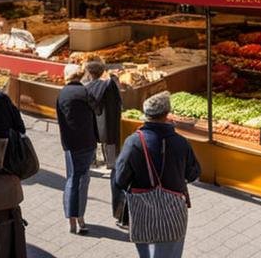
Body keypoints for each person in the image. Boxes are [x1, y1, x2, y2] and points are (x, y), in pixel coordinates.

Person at [115, 91, 201, 258]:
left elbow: (120, 179)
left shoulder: (133, 142)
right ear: (166, 115)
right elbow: (193, 174)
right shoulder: (181, 142)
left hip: (142, 210)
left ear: (145, 114)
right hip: (173, 210)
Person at [57, 63, 99, 234]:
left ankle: (70, 218)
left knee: (71, 178)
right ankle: (78, 217)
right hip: (86, 142)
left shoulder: (61, 94)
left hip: (69, 143)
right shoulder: (85, 92)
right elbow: (98, 108)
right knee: (81, 179)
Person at [85, 58, 122, 171]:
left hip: (94, 119)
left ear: (90, 73)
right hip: (110, 120)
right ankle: (111, 162)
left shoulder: (87, 88)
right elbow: (118, 100)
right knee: (110, 139)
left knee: (92, 138)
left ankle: (92, 161)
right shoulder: (109, 85)